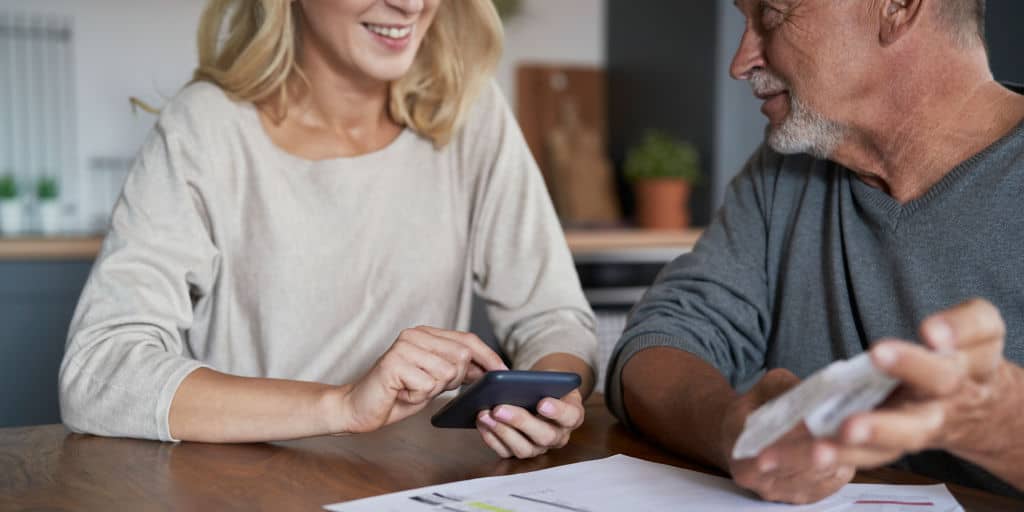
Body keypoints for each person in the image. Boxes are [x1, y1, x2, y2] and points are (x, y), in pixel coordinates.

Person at [59, 0, 598, 461]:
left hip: (410, 485)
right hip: (241, 487)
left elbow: (552, 317)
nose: (410, 4)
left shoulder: (468, 117)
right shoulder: (206, 127)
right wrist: (341, 406)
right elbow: (100, 370)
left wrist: (552, 400)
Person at [606, 0, 1024, 504]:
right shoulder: (783, 173)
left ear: (896, 7)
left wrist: (998, 426)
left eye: (773, 14)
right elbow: (658, 341)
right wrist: (730, 427)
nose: (741, 62)